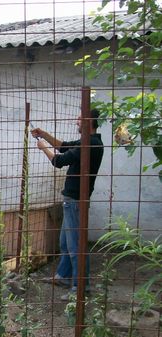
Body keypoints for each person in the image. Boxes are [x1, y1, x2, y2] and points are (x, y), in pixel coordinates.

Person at [31, 109, 104, 300]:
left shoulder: (90, 144)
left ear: (89, 122)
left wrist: (42, 147)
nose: (76, 122)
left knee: (76, 246)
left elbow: (59, 160)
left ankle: (81, 288)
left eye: (79, 120)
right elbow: (63, 147)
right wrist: (43, 134)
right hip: (71, 200)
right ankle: (63, 276)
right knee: (65, 242)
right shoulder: (87, 142)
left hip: (76, 202)